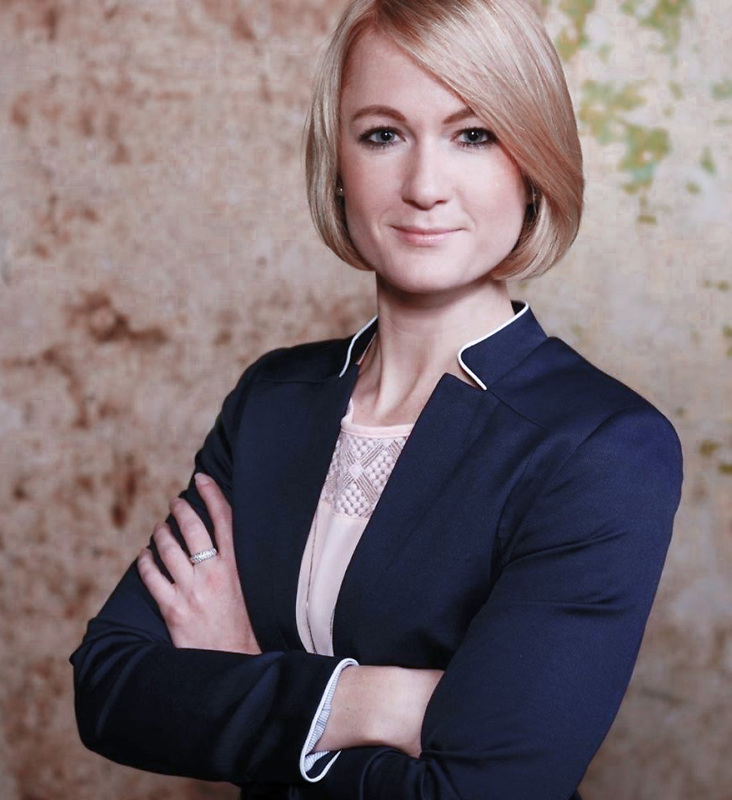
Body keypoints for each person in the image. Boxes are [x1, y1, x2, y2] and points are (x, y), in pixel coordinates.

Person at [70, 0, 684, 798]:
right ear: (338, 165)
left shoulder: (603, 446)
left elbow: (483, 792)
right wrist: (373, 701)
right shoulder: (273, 400)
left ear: (532, 162)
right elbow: (110, 687)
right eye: (383, 135)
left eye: (474, 135)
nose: (425, 186)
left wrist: (247, 676)